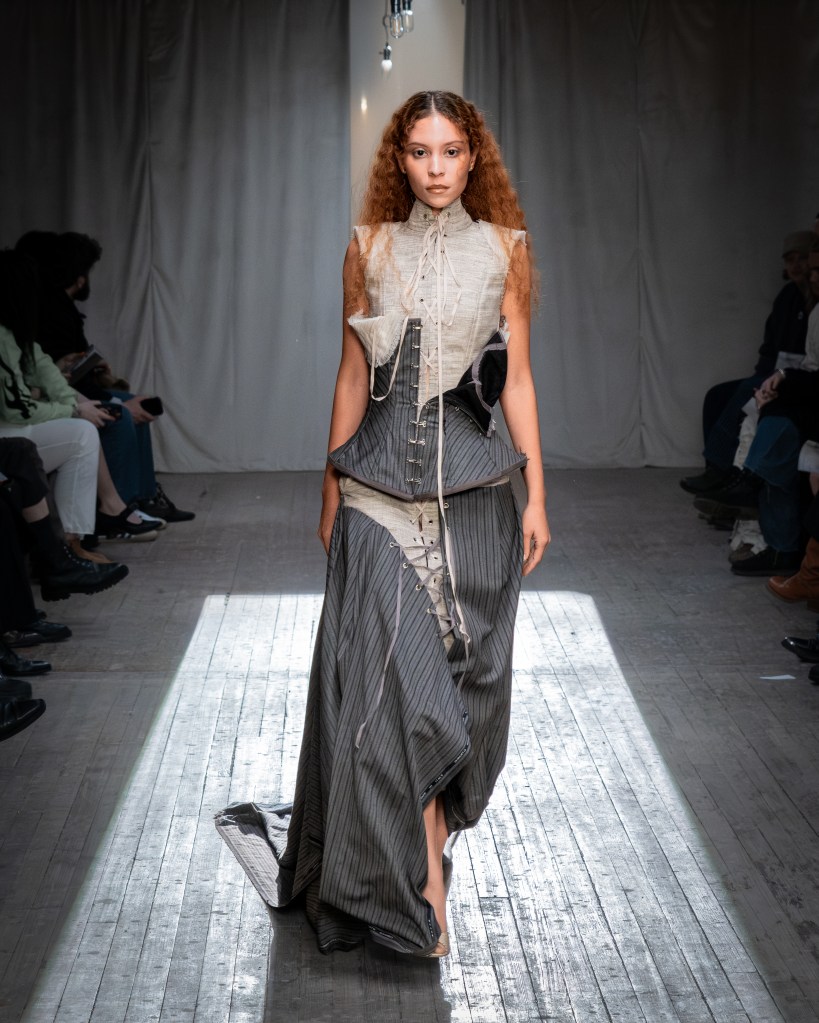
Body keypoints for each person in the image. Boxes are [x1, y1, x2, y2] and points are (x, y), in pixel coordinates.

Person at [216, 91, 550, 957]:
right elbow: (349, 372)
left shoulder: (506, 249)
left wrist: (538, 496)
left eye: (450, 151)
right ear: (398, 159)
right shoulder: (366, 246)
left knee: (467, 689)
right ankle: (421, 889)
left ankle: (428, 842)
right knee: (395, 688)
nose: (435, 168)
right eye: (419, 151)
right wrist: (328, 492)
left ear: (472, 157)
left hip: (475, 491)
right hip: (372, 492)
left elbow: (514, 380)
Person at [15, 231, 194, 523]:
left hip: (65, 394)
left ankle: (142, 497)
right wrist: (109, 402)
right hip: (53, 402)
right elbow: (42, 385)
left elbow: (50, 372)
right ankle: (118, 509)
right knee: (121, 415)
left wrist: (91, 370)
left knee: (131, 406)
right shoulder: (42, 314)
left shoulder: (56, 309)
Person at [681, 230, 815, 495]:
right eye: (790, 260)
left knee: (746, 392)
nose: (796, 266)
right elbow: (770, 346)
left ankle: (724, 474)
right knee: (717, 396)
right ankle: (715, 469)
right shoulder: (787, 297)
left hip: (798, 378)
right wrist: (762, 375)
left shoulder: (814, 300)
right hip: (774, 373)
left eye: (801, 259)